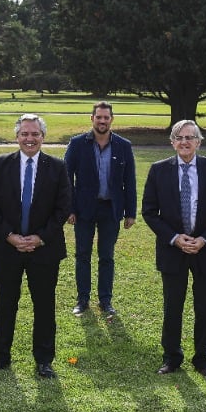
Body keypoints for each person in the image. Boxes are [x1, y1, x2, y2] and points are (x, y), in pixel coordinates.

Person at [0, 114, 71, 378]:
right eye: (24, 134)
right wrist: (10, 235)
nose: (29, 139)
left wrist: (39, 237)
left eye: (35, 134)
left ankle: (44, 361)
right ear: (17, 137)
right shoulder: (0, 163)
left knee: (44, 305)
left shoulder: (57, 166)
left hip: (44, 248)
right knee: (5, 303)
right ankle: (1, 358)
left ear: (43, 137)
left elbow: (63, 207)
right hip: (6, 247)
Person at [141, 120, 206, 378]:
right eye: (179, 137)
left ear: (198, 142)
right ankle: (171, 358)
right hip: (173, 250)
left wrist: (204, 240)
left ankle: (203, 360)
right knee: (173, 306)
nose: (184, 142)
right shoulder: (158, 170)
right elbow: (149, 211)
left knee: (204, 306)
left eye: (189, 137)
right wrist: (174, 238)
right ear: (172, 142)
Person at [63, 101, 136, 319]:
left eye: (106, 117)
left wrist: (130, 212)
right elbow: (67, 178)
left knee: (107, 256)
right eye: (99, 117)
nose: (102, 121)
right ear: (92, 118)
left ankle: (105, 301)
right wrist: (69, 208)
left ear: (111, 119)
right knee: (82, 255)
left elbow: (129, 181)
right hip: (84, 209)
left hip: (111, 209)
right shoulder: (77, 144)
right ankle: (82, 299)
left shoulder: (124, 145)